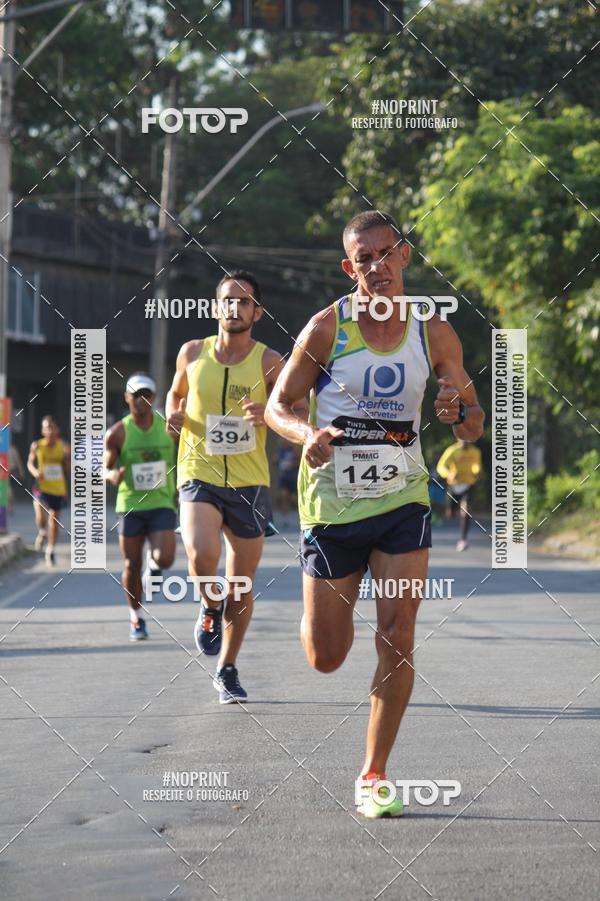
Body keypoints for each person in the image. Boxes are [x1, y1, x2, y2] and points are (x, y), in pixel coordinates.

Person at [265, 211, 484, 818]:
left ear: (405, 256)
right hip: (333, 505)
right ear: (348, 267)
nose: (377, 267)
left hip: (402, 501)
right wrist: (305, 433)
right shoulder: (325, 329)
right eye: (364, 259)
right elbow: (277, 406)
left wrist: (455, 410)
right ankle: (319, 617)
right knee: (327, 656)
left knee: (399, 635)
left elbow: (472, 426)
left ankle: (374, 773)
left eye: (386, 254)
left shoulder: (433, 331)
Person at [166, 270, 307, 704]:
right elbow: (174, 396)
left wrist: (268, 412)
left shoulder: (271, 362)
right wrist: (173, 414)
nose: (235, 307)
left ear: (257, 312)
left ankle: (227, 668)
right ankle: (210, 606)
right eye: (228, 300)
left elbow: (297, 410)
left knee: (241, 584)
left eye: (244, 302)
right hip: (199, 473)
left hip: (250, 482)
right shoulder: (191, 353)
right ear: (215, 307)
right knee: (201, 553)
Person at [104, 373, 177, 641]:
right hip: (131, 504)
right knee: (131, 563)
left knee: (166, 557)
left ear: (154, 398)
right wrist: (110, 475)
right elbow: (105, 467)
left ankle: (155, 565)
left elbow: (186, 454)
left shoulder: (168, 427)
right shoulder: (118, 433)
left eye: (146, 394)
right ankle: (136, 617)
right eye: (135, 395)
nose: (141, 400)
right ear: (127, 398)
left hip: (161, 502)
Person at [27, 415, 70, 565]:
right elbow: (30, 463)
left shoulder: (64, 446)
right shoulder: (37, 445)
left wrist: (67, 458)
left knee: (54, 522)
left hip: (58, 488)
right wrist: (35, 472)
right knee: (39, 510)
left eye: (52, 427)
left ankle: (50, 550)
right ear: (43, 430)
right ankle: (42, 532)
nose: (49, 431)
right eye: (46, 428)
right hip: (41, 487)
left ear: (57, 430)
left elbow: (67, 470)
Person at [436, 438, 482, 551]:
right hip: (454, 485)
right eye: (463, 438)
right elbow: (441, 467)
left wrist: (476, 471)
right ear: (458, 438)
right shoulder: (452, 450)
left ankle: (463, 540)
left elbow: (476, 465)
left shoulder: (475, 451)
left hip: (468, 484)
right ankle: (453, 511)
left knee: (465, 511)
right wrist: (448, 474)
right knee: (450, 514)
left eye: (467, 438)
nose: (466, 441)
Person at [275, 442, 301, 527]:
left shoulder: (294, 449)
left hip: (293, 477)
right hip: (284, 477)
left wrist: (291, 464)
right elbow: (275, 461)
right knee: (284, 496)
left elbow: (300, 461)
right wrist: (277, 460)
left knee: (294, 498)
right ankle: (285, 519)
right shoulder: (279, 450)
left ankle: (300, 516)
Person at [8, 442, 25, 513]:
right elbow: (18, 461)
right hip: (10, 470)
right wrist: (21, 472)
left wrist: (21, 471)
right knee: (10, 489)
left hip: (10, 471)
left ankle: (10, 507)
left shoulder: (12, 449)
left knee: (9, 489)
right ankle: (10, 507)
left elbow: (18, 461)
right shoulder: (13, 449)